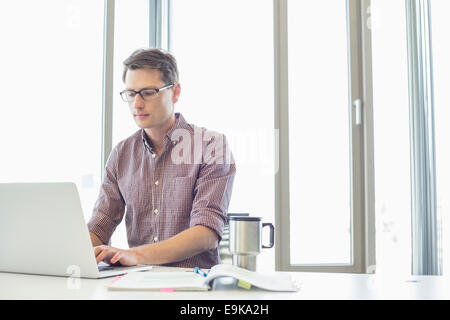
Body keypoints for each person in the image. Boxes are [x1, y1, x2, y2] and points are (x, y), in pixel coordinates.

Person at [87, 48, 236, 269]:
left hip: (192, 284)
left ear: (175, 92)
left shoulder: (211, 146)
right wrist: (69, 253)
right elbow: (100, 226)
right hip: (136, 284)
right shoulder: (121, 154)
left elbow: (206, 232)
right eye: (130, 93)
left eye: (148, 92)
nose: (136, 104)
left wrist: (136, 255)